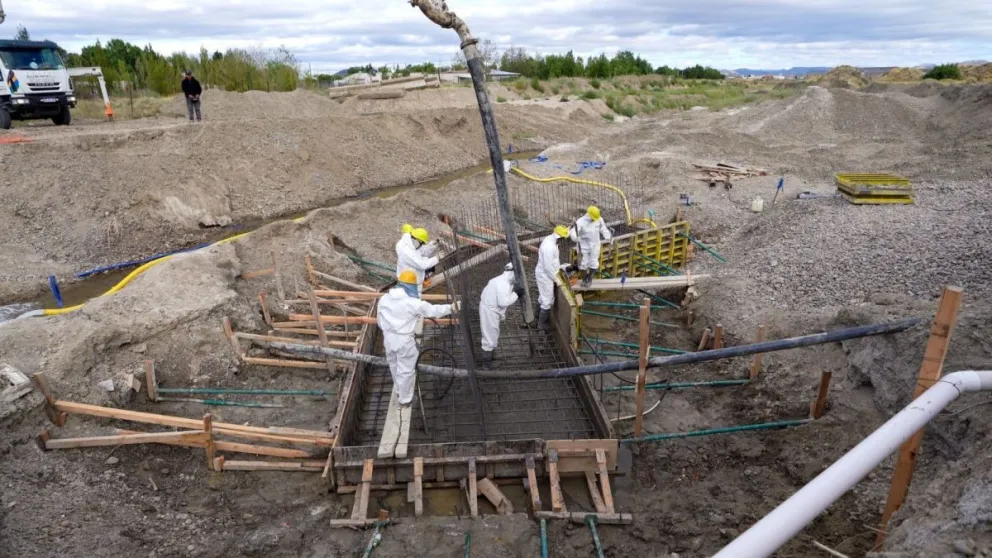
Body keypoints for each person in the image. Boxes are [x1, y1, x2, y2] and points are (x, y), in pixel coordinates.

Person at [377, 269, 459, 407]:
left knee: (394, 365)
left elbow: (379, 321)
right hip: (404, 341)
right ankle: (405, 400)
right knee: (406, 371)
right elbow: (433, 311)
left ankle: (399, 391)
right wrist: (451, 308)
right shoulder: (412, 303)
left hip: (388, 338)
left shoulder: (384, 298)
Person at [479, 263, 523, 369]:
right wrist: (516, 294)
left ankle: (492, 355)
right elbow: (503, 302)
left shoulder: (502, 280)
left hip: (491, 309)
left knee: (493, 333)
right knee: (489, 337)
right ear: (512, 273)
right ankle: (486, 366)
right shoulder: (504, 284)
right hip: (489, 311)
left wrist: (501, 313)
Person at [535, 225, 573, 330]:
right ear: (558, 237)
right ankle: (541, 324)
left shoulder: (552, 241)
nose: (564, 240)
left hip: (548, 272)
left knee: (543, 297)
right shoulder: (548, 247)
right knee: (547, 300)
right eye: (563, 238)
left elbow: (553, 263)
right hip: (545, 275)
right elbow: (548, 268)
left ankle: (536, 318)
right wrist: (557, 280)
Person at [569, 205, 612, 288]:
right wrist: (575, 238)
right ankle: (584, 279)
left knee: (594, 262)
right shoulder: (580, 222)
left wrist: (608, 237)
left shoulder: (599, 219)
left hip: (595, 244)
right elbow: (573, 232)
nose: (594, 220)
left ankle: (590, 279)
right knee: (583, 264)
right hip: (583, 245)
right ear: (588, 215)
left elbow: (603, 229)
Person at [395, 227, 440, 292]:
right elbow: (422, 265)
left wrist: (431, 246)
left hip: (413, 280)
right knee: (411, 300)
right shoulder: (406, 252)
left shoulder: (411, 244)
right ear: (415, 239)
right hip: (408, 283)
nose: (421, 245)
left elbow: (421, 251)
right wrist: (437, 258)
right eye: (421, 243)